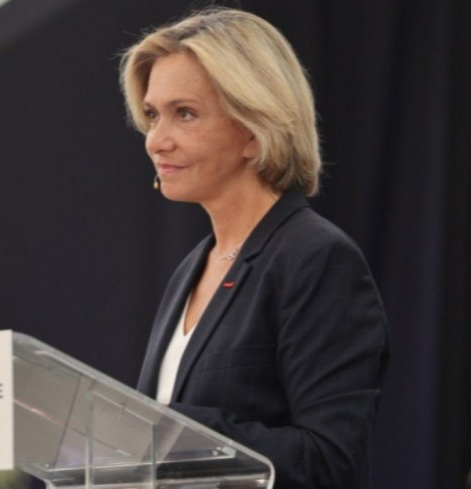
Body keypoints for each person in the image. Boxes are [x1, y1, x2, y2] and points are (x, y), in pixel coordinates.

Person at [119, 8, 389, 489]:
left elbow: (330, 462)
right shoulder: (192, 268)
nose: (156, 140)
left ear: (253, 128)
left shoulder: (315, 258)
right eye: (153, 115)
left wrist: (172, 432)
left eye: (185, 114)